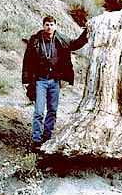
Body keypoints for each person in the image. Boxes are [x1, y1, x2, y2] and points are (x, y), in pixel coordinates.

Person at [22, 15, 89, 151]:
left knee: (52, 110)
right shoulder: (35, 40)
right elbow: (27, 61)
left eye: (51, 24)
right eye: (47, 24)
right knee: (39, 111)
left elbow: (75, 44)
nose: (49, 27)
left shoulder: (60, 39)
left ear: (55, 26)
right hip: (40, 80)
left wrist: (87, 31)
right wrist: (26, 80)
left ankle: (47, 137)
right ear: (43, 26)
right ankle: (36, 140)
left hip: (54, 81)